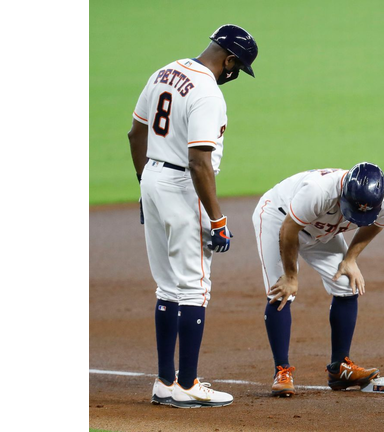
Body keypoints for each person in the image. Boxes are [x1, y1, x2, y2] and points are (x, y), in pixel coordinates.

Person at [127, 24, 258, 408]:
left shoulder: (164, 71)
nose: (234, 75)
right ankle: (187, 384)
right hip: (185, 186)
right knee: (195, 288)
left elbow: (136, 134)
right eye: (237, 67)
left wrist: (143, 186)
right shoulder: (207, 92)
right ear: (229, 60)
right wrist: (217, 220)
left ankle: (165, 382)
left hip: (151, 177)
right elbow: (199, 162)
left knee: (167, 286)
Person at [252, 162, 384, 397]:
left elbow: (377, 225)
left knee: (346, 284)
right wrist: (291, 276)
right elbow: (289, 230)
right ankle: (282, 371)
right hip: (279, 219)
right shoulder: (319, 192)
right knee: (282, 290)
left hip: (324, 230)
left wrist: (350, 258)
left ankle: (340, 369)